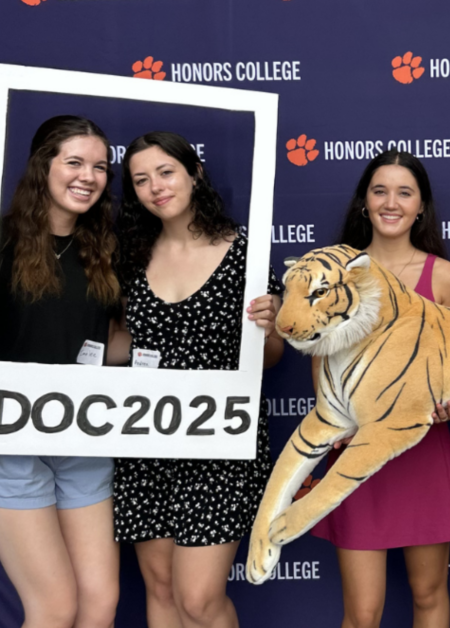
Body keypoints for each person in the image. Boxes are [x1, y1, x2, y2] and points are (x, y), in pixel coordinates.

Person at [0, 115, 124, 628]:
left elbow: (115, 345)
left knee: (99, 604)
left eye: (100, 166)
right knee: (54, 607)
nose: (89, 175)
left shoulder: (107, 246)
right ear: (44, 166)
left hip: (83, 435)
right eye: (75, 162)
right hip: (4, 438)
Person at [112, 131, 284, 628]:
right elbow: (122, 343)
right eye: (141, 180)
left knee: (198, 600)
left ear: (195, 173)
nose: (155, 187)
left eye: (165, 172)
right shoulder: (130, 256)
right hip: (146, 440)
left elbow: (269, 358)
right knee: (161, 589)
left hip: (218, 445)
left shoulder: (244, 252)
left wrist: (269, 328)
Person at [310, 150, 450, 628]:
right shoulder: (332, 274)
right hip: (355, 453)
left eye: (405, 192)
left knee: (428, 594)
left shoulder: (446, 278)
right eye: (380, 190)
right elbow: (321, 367)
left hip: (422, 450)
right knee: (362, 613)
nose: (391, 202)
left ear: (421, 206)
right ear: (364, 201)